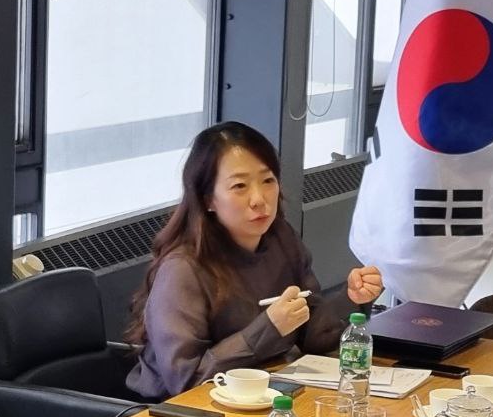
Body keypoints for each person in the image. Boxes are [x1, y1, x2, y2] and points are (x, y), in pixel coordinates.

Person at [126, 121, 383, 400]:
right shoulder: (182, 268)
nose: (259, 199)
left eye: (268, 181)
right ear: (208, 199)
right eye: (239, 186)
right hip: (174, 412)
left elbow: (313, 337)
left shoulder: (281, 239)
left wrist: (350, 298)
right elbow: (187, 381)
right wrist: (268, 328)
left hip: (260, 396)